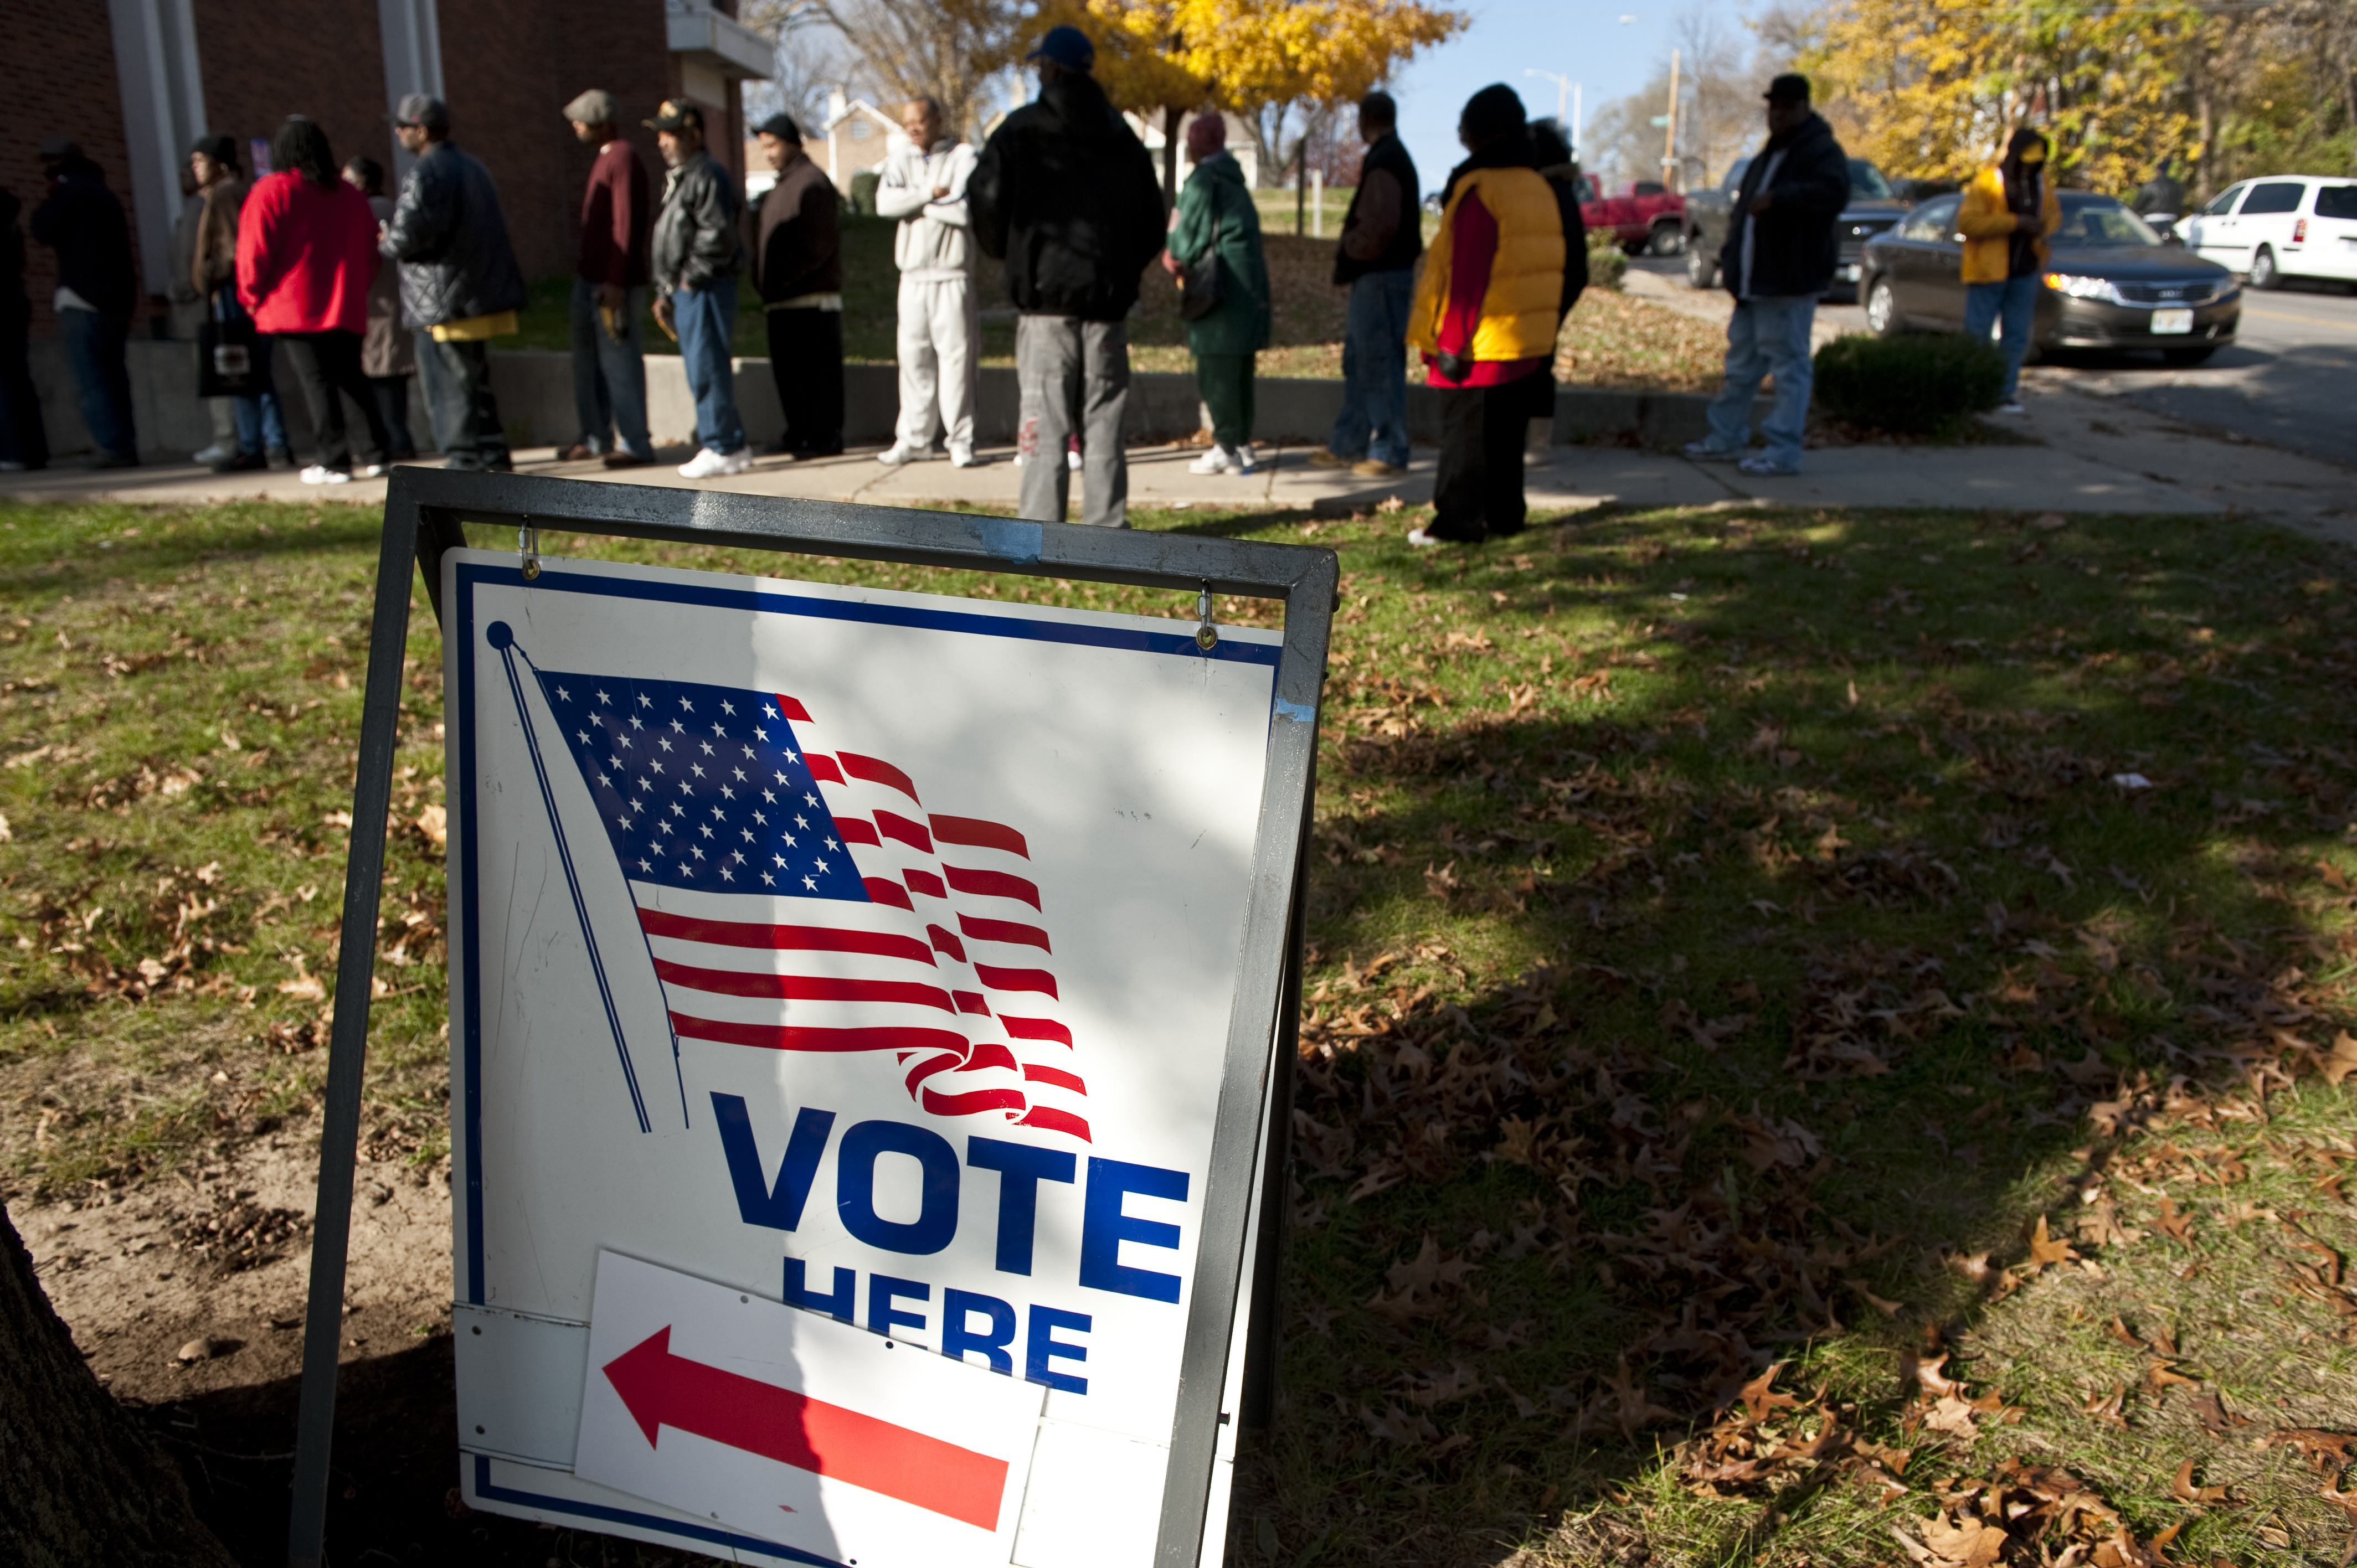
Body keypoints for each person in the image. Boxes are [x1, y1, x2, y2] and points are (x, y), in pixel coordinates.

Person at [971, 24, 1165, 528]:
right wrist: (1121, 273)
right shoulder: (1124, 138)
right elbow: (1152, 221)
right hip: (1107, 306)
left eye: (1041, 65)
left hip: (1045, 307)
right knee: (1105, 421)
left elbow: (986, 202)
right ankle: (1108, 534)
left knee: (1044, 423)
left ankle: (1039, 537)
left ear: (1052, 69)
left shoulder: (1020, 130)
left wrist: (1013, 256)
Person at [1403, 85, 1566, 547]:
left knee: (1466, 440)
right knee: (1506, 440)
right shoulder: (1538, 185)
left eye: (1464, 129)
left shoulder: (1482, 188)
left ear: (1479, 133)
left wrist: (1452, 344)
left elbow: (1468, 276)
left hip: (1480, 342)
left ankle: (1456, 524)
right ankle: (1506, 516)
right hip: (1526, 341)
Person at [1684, 73, 1850, 477]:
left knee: (1790, 366)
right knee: (1741, 365)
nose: (1778, 115)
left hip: (1789, 282)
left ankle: (1782, 451)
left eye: (1788, 107)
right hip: (1754, 284)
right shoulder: (1766, 157)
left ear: (1805, 108)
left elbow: (1833, 194)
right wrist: (1731, 265)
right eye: (1773, 107)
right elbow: (1744, 215)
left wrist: (1781, 198)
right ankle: (1726, 436)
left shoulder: (1820, 150)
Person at [239, 116, 393, 484]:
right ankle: (376, 454)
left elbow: (254, 251)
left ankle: (333, 459)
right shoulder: (351, 196)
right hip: (345, 303)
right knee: (352, 380)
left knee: (318, 382)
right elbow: (371, 252)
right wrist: (358, 288)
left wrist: (252, 297)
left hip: (295, 307)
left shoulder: (273, 189)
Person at [381, 93, 526, 472]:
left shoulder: (427, 172)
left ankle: (464, 459)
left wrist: (385, 239)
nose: (398, 133)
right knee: (474, 378)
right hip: (477, 294)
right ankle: (493, 454)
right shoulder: (475, 168)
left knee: (450, 383)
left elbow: (407, 236)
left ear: (422, 130)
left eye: (403, 126)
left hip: (442, 300)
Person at [1312, 91, 1421, 478]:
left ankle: (1390, 450)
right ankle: (1349, 444)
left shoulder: (1387, 160)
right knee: (1358, 363)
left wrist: (1350, 252)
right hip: (1377, 279)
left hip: (1383, 278)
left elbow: (1380, 224)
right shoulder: (1389, 157)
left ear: (1366, 119)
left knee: (1378, 363)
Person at [875, 95, 980, 467]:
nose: (912, 129)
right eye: (907, 124)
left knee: (957, 359)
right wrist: (928, 195)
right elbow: (884, 205)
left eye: (918, 121)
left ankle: (959, 440)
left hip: (952, 275)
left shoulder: (963, 156)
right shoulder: (900, 158)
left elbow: (966, 210)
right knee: (913, 358)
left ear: (937, 119)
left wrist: (914, 204)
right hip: (913, 276)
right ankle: (915, 438)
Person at [1162, 113, 1269, 476]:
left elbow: (1184, 240)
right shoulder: (1235, 181)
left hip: (1216, 294)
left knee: (1217, 368)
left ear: (1204, 143)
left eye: (1193, 139)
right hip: (1247, 291)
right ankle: (1240, 442)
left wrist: (1171, 252)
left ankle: (1226, 448)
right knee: (1240, 369)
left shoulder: (1204, 181)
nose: (1189, 146)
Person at [647, 98, 749, 479]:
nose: (663, 142)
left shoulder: (706, 174)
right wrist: (666, 289)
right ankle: (730, 443)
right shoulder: (684, 176)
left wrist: (688, 278)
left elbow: (716, 235)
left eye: (671, 134)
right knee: (701, 365)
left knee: (707, 366)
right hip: (688, 289)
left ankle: (722, 444)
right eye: (660, 134)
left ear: (695, 134)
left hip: (705, 287)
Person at [30, 137, 138, 468]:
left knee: (92, 379)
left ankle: (112, 446)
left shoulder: (70, 192)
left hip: (83, 296)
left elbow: (41, 228)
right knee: (115, 376)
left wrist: (54, 193)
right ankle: (125, 444)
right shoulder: (104, 192)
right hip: (117, 300)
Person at [560, 89, 653, 468]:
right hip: (588, 280)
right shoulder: (604, 159)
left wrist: (615, 281)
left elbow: (625, 224)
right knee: (586, 362)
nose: (576, 127)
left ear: (601, 123)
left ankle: (635, 442)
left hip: (613, 284)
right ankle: (596, 436)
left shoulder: (622, 157)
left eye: (581, 120)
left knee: (619, 363)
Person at [193, 136, 292, 473]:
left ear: (219, 163)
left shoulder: (226, 194)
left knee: (241, 371)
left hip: (237, 295)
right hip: (247, 294)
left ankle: (255, 446)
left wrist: (212, 275)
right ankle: (273, 443)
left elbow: (237, 248)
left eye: (200, 160)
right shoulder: (238, 191)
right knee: (255, 371)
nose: (194, 168)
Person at [750, 113, 844, 461]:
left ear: (792, 143)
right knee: (790, 377)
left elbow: (818, 244)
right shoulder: (782, 185)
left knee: (816, 377)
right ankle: (800, 433)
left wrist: (784, 278)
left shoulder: (812, 182)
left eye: (772, 145)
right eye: (764, 147)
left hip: (810, 298)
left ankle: (824, 437)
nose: (768, 153)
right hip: (781, 300)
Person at [1959, 126, 2060, 417]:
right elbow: (1968, 223)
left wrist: (2043, 227)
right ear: (2015, 156)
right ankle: (1973, 390)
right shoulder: (1989, 182)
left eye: (2036, 162)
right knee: (1977, 334)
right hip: (1988, 272)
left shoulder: (2041, 184)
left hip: (2025, 269)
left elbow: (2054, 214)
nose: (2031, 167)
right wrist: (2014, 223)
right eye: (2026, 161)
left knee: (2016, 336)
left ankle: (2004, 392)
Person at [342, 155, 417, 461]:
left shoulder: (371, 211)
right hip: (396, 305)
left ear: (363, 181)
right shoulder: (393, 208)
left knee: (384, 377)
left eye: (348, 180)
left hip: (380, 307)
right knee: (391, 377)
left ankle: (396, 442)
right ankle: (398, 440)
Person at [169, 138, 236, 466]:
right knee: (217, 370)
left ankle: (231, 439)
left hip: (217, 299)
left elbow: (223, 251)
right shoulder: (200, 203)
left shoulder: (220, 197)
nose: (191, 169)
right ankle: (229, 437)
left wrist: (204, 280)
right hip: (201, 299)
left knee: (227, 370)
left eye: (198, 161)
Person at [0, 187, 47, 471]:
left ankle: (14, 452)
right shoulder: (10, 224)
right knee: (18, 378)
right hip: (15, 302)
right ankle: (33, 451)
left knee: (5, 381)